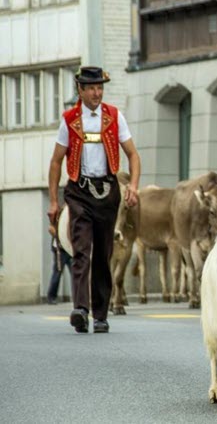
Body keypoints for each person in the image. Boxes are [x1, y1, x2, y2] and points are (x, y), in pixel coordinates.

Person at [47, 66, 141, 334]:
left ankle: (100, 314)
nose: (96, 93)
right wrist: (54, 201)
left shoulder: (114, 116)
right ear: (80, 90)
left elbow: (133, 155)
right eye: (91, 88)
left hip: (107, 191)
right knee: (81, 249)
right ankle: (80, 309)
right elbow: (56, 162)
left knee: (103, 252)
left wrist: (132, 186)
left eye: (100, 88)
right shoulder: (69, 120)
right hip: (79, 191)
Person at [46, 224, 72, 305]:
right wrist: (60, 236)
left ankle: (78, 298)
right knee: (57, 273)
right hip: (60, 249)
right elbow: (50, 228)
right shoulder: (58, 212)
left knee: (76, 274)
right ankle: (51, 296)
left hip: (69, 248)